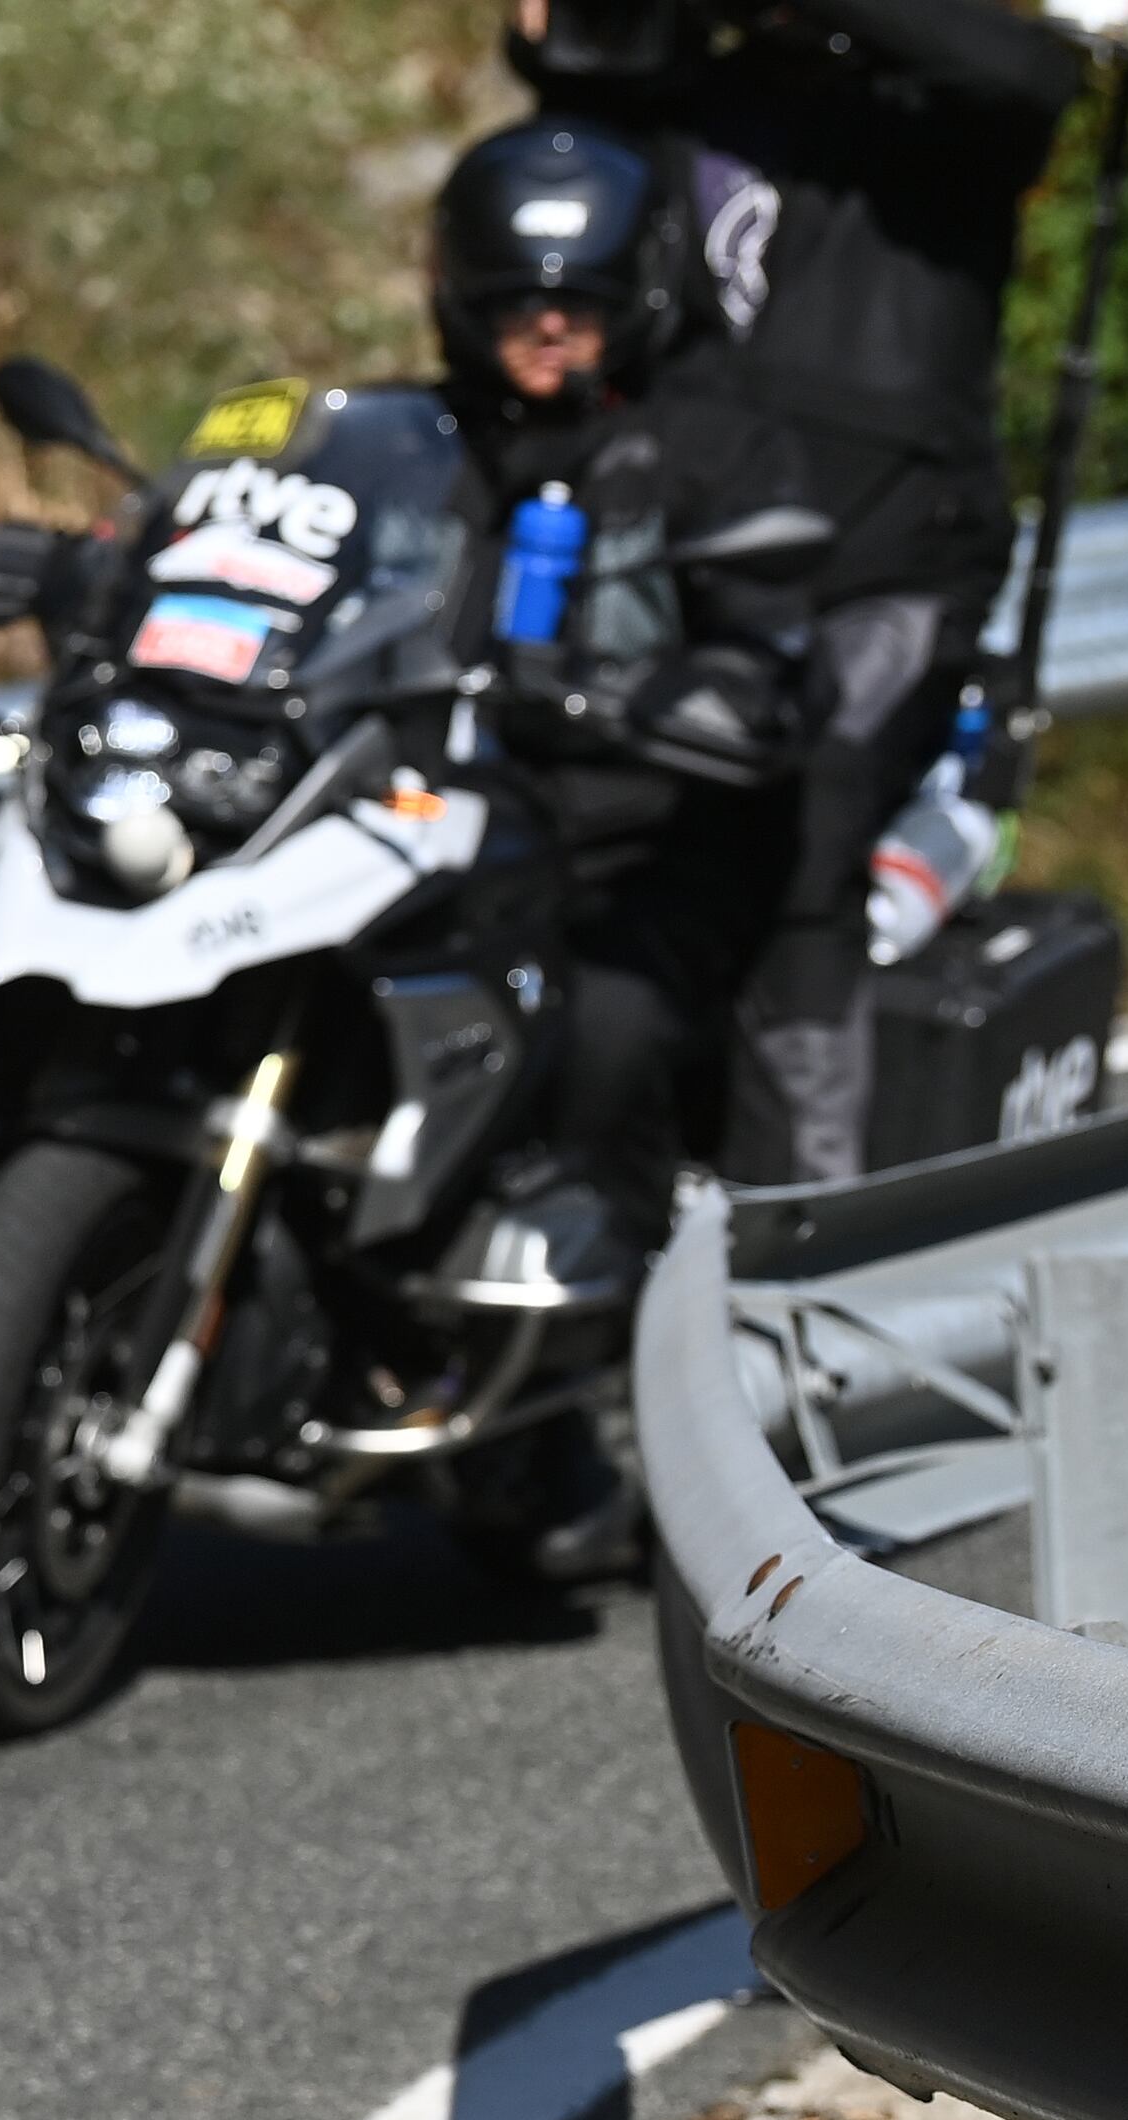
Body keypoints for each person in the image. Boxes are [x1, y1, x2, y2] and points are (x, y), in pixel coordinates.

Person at [512, 0, 1086, 1185]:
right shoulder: (691, 87)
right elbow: (569, 89)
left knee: (800, 842)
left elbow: (1028, 77)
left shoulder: (938, 96)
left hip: (884, 568)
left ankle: (803, 1225)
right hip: (683, 552)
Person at [432, 118, 820, 1348]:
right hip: (426, 837)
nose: (548, 331)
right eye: (516, 306)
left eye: (579, 307)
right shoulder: (418, 441)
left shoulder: (712, 448)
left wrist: (659, 699)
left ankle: (600, 1353)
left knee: (602, 1027)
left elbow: (770, 660)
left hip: (636, 857)